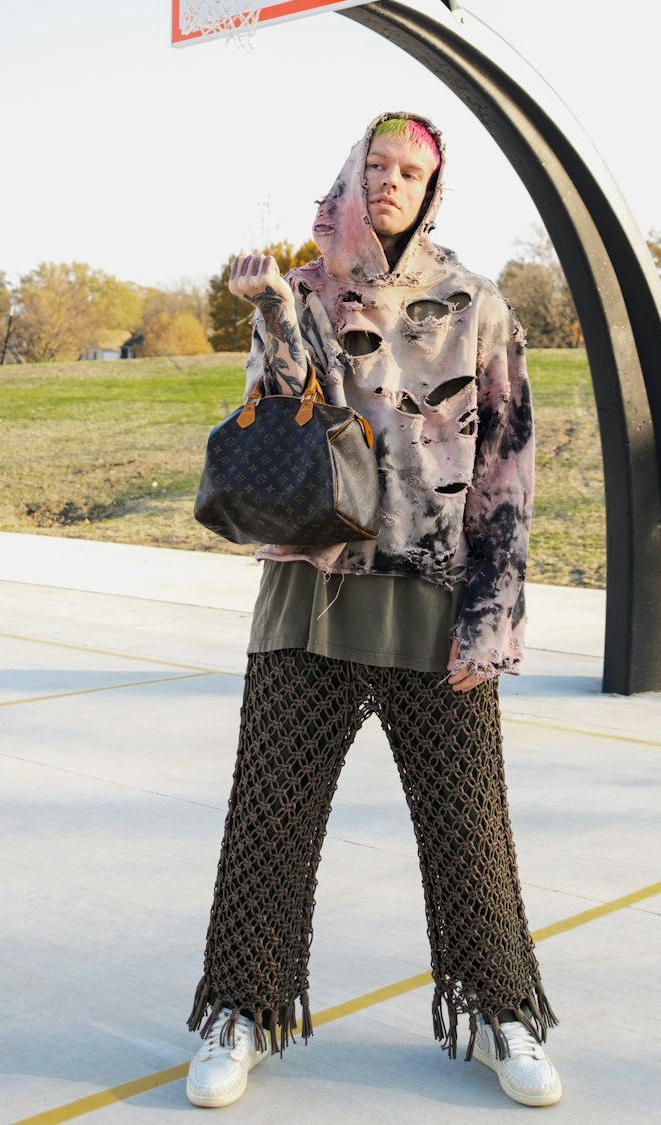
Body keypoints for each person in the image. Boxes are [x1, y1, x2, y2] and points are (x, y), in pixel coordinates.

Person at [185, 113, 560, 1109]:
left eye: (411, 171)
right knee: (270, 814)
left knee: (466, 823)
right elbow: (283, 401)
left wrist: (493, 617)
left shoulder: (474, 303)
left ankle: (498, 1009)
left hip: (432, 599)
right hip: (311, 585)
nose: (390, 182)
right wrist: (270, 305)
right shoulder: (303, 286)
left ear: (432, 190)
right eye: (377, 165)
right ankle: (241, 1008)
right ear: (351, 174)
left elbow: (504, 473)